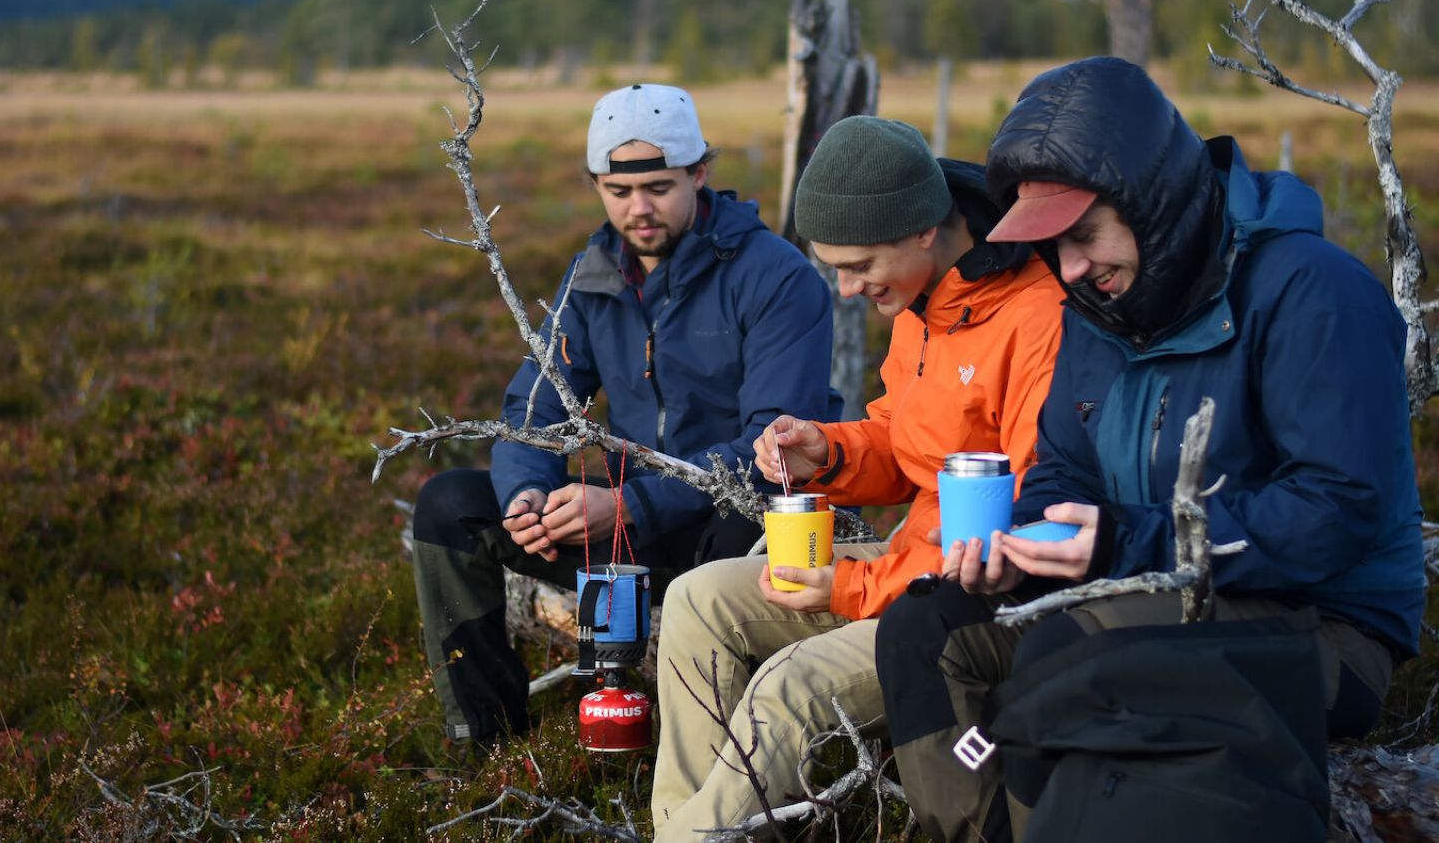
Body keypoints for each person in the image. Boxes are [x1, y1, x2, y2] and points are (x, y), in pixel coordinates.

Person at [876, 56, 1427, 843]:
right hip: (1139, 582)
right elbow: (1063, 467)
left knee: (1062, 653)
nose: (1072, 269)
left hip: (1325, 628)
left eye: (1085, 236)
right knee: (926, 633)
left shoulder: (1312, 291)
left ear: (1153, 198)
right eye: (1053, 250)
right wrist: (1024, 544)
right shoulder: (1097, 309)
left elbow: (1338, 511)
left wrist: (1130, 542)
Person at [649, 116, 1064, 839]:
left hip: (973, 604)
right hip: (910, 564)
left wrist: (852, 587)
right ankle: (682, 828)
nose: (845, 289)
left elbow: (1012, 522)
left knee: (789, 685)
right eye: (833, 266)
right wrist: (829, 453)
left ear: (923, 231)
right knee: (696, 600)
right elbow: (908, 447)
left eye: (859, 265)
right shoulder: (923, 306)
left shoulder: (1036, 320)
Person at [411, 84, 844, 746]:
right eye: (618, 191)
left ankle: (730, 752)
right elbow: (533, 408)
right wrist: (527, 494)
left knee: (745, 534)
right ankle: (487, 744)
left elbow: (775, 452)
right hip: (623, 532)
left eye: (659, 187)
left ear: (699, 174)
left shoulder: (777, 278)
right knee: (451, 507)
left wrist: (633, 504)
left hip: (731, 528)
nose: (638, 209)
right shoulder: (591, 279)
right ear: (595, 186)